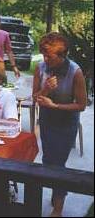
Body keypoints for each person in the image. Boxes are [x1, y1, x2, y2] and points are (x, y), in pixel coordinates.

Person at [33, 32, 87, 217]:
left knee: (58, 164)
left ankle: (58, 208)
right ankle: (58, 192)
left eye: (49, 56)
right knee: (48, 160)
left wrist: (55, 105)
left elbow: (82, 105)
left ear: (62, 55)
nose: (45, 59)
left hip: (66, 124)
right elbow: (35, 97)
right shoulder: (40, 68)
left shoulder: (76, 72)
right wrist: (45, 89)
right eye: (43, 55)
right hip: (47, 121)